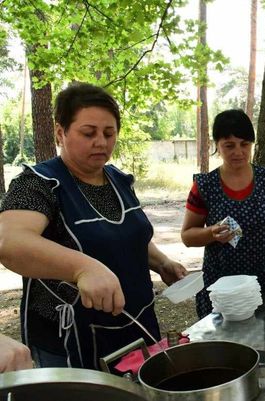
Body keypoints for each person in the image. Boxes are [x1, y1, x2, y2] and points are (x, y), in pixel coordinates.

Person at [0, 83, 188, 370]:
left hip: (135, 325)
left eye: (109, 134)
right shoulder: (38, 184)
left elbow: (127, 235)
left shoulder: (118, 180)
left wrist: (162, 262)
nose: (100, 142)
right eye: (88, 133)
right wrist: (83, 267)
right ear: (60, 132)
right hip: (70, 341)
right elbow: (9, 241)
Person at [181, 109, 265, 318]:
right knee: (225, 348)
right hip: (223, 287)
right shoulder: (204, 185)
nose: (238, 152)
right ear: (217, 145)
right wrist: (212, 233)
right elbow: (187, 235)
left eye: (244, 144)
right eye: (229, 146)